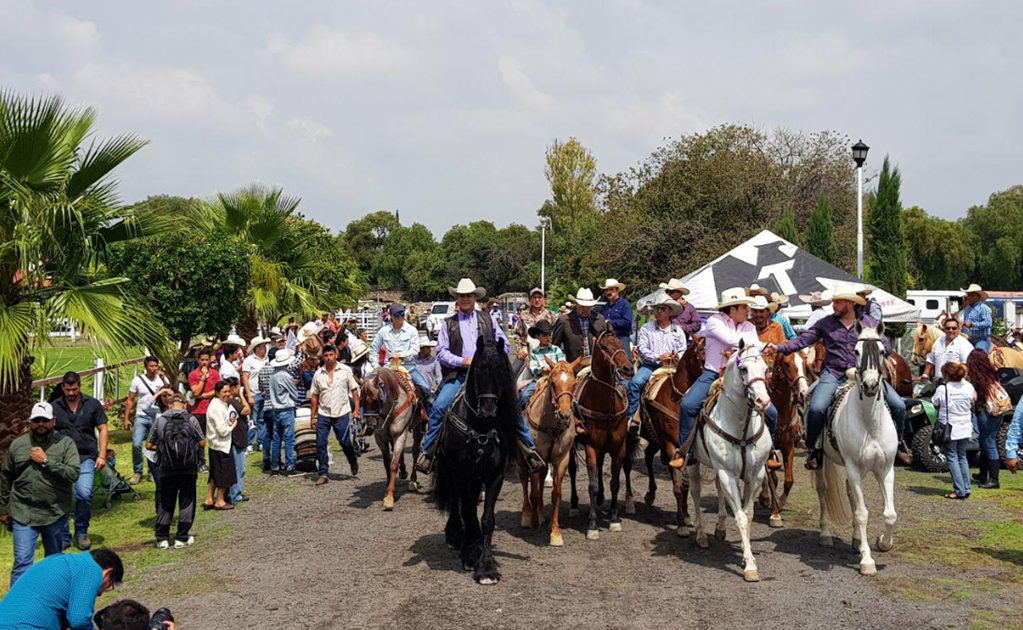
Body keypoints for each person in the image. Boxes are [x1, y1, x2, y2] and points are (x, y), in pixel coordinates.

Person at [767, 283, 908, 469]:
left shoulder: (869, 323)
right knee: (817, 408)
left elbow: (887, 347)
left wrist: (877, 343)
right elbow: (802, 341)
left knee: (899, 405)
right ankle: (813, 449)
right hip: (833, 373)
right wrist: (779, 347)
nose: (833, 305)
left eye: (838, 302)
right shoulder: (826, 323)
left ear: (849, 304)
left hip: (864, 375)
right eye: (834, 301)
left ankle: (899, 443)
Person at [417, 278, 544, 474]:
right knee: (440, 407)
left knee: (512, 405)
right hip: (460, 374)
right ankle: (429, 452)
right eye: (462, 296)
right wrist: (462, 360)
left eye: (469, 295)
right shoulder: (448, 324)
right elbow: (441, 352)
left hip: (488, 375)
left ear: (475, 297)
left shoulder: (488, 319)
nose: (465, 299)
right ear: (457, 299)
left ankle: (529, 450)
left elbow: (504, 343)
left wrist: (490, 355)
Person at [669, 288, 759, 469]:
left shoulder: (749, 326)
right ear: (732, 309)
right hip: (713, 373)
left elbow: (753, 346)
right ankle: (686, 451)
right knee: (688, 405)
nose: (747, 311)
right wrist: (743, 346)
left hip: (741, 374)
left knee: (770, 410)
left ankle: (768, 449)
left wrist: (740, 347)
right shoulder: (714, 321)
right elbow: (735, 340)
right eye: (744, 307)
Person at [1, 402, 80, 585]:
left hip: (54, 512)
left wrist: (46, 461)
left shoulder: (65, 443)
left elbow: (73, 473)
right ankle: (17, 607)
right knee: (22, 563)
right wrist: (4, 509)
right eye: (36, 420)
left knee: (53, 562)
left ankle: (51, 601)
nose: (41, 424)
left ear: (53, 421)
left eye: (45, 420)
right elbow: (6, 477)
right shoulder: (18, 445)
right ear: (30, 422)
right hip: (23, 512)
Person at [52, 371, 109, 551]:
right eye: (67, 389)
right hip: (61, 459)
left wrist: (102, 455)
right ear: (62, 388)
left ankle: (81, 531)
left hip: (86, 457)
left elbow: (103, 428)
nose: (71, 393)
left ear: (79, 386)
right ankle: (63, 536)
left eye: (74, 389)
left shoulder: (92, 404)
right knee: (62, 498)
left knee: (84, 494)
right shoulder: (54, 407)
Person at [0, 548, 124, 630]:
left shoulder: (59, 560)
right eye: (109, 585)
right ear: (108, 573)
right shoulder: (90, 568)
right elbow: (79, 620)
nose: (100, 594)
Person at [146, 393, 204, 549]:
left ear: (169, 406)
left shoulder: (160, 421)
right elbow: (203, 442)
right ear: (185, 405)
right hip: (188, 468)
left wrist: (163, 448)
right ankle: (181, 537)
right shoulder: (192, 420)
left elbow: (148, 445)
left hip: (167, 468)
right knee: (187, 501)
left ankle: (162, 538)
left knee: (166, 502)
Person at [626, 295, 686, 434]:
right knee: (635, 383)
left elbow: (683, 349)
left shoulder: (678, 331)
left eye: (662, 309)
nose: (658, 311)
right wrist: (659, 358)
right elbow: (642, 349)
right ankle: (631, 418)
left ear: (670, 311)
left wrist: (677, 356)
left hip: (674, 367)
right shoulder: (646, 328)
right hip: (651, 366)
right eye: (656, 309)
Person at [310, 344, 361, 485]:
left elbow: (355, 391)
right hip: (323, 413)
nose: (328, 358)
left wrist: (356, 410)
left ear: (336, 355)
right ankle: (323, 472)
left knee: (344, 442)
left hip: (342, 412)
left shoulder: (345, 371)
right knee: (321, 443)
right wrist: (312, 416)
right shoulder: (318, 374)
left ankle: (352, 459)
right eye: (326, 356)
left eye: (331, 355)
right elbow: (314, 396)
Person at [370, 303, 432, 407]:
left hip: (408, 367)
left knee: (425, 387)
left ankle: (427, 413)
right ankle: (369, 418)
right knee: (369, 389)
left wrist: (401, 355)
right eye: (397, 315)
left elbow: (415, 350)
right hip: (388, 368)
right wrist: (376, 366)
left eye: (402, 314)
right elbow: (373, 349)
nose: (400, 318)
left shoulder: (411, 330)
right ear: (391, 317)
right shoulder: (383, 331)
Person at [932, 362, 976, 499]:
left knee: (952, 457)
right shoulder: (968, 386)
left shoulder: (943, 389)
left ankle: (959, 490)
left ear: (946, 375)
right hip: (966, 426)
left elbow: (935, 403)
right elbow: (973, 399)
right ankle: (966, 488)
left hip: (950, 428)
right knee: (962, 456)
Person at [123, 356, 169, 485]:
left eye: (156, 366)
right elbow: (130, 400)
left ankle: (152, 472)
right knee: (136, 443)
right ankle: (138, 471)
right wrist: (127, 418)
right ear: (146, 367)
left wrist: (163, 377)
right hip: (141, 415)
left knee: (153, 445)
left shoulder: (161, 380)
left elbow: (169, 391)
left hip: (157, 416)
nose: (154, 369)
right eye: (152, 366)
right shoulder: (137, 381)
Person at [966, 348, 1004, 489]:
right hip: (997, 412)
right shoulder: (992, 373)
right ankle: (983, 474)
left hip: (985, 414)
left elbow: (977, 397)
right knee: (984, 441)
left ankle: (994, 479)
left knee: (989, 443)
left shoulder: (977, 379)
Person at [518, 320, 567, 412]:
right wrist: (541, 370)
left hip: (556, 381)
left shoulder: (556, 350)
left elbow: (562, 364)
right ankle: (520, 420)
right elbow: (533, 369)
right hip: (539, 381)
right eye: (544, 335)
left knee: (571, 396)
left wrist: (554, 369)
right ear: (537, 336)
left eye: (549, 335)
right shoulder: (535, 352)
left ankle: (577, 419)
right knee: (524, 396)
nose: (548, 338)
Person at [203, 381, 238, 510]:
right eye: (224, 392)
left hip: (216, 444)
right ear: (217, 393)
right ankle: (220, 500)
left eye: (229, 391)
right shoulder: (216, 407)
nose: (227, 394)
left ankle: (209, 498)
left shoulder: (220, 404)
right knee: (223, 473)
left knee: (215, 473)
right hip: (221, 445)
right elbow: (222, 431)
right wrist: (233, 425)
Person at [552, 288, 608, 365]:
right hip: (573, 367)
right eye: (582, 306)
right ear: (576, 304)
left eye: (588, 307)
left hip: (597, 366)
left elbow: (606, 344)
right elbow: (555, 346)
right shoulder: (564, 321)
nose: (586, 309)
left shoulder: (599, 319)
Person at [267, 348, 299, 474]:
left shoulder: (273, 375)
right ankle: (289, 464)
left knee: (276, 439)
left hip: (276, 409)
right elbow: (295, 394)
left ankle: (275, 465)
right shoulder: (286, 375)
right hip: (286, 409)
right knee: (289, 438)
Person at [188, 348, 220, 472]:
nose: (204, 363)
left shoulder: (215, 374)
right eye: (202, 360)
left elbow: (218, 391)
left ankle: (215, 462)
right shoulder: (193, 375)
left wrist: (204, 396)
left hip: (213, 408)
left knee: (214, 436)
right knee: (199, 439)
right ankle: (200, 462)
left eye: (207, 360)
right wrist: (202, 378)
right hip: (198, 411)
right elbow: (195, 391)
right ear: (198, 360)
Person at [920, 316, 973, 382]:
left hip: (956, 383)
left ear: (959, 329)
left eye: (954, 328)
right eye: (948, 328)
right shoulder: (939, 341)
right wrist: (925, 374)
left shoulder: (964, 345)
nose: (951, 330)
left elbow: (966, 366)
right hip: (938, 382)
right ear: (944, 329)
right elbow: (931, 360)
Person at [514, 288, 559, 362]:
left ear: (543, 299)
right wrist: (519, 349)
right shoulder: (523, 315)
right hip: (527, 349)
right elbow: (517, 334)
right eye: (534, 297)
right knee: (513, 371)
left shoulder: (551, 315)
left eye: (539, 297)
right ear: (530, 300)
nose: (537, 300)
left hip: (548, 349)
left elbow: (556, 333)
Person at [242, 336, 270, 453]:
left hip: (264, 393)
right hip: (254, 393)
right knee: (252, 419)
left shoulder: (267, 359)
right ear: (257, 348)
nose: (265, 348)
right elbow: (245, 378)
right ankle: (249, 442)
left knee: (262, 419)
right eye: (263, 346)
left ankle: (261, 442)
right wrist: (249, 395)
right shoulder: (249, 360)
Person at [225, 377, 251, 504]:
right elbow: (247, 410)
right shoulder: (232, 401)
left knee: (237, 466)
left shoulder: (228, 401)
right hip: (237, 438)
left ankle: (232, 493)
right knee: (239, 467)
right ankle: (235, 494)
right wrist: (241, 394)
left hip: (236, 437)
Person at [600, 279, 633, 354]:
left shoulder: (625, 304)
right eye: (607, 290)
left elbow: (627, 322)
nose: (608, 292)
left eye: (611, 290)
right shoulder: (605, 306)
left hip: (621, 337)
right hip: (607, 338)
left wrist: (610, 322)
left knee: (626, 362)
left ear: (617, 290)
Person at [960, 284, 994, 353]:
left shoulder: (984, 308)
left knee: (979, 355)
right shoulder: (967, 309)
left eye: (972, 295)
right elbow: (965, 324)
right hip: (968, 338)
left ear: (978, 296)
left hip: (982, 339)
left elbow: (988, 323)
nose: (969, 297)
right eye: (969, 295)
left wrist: (972, 325)